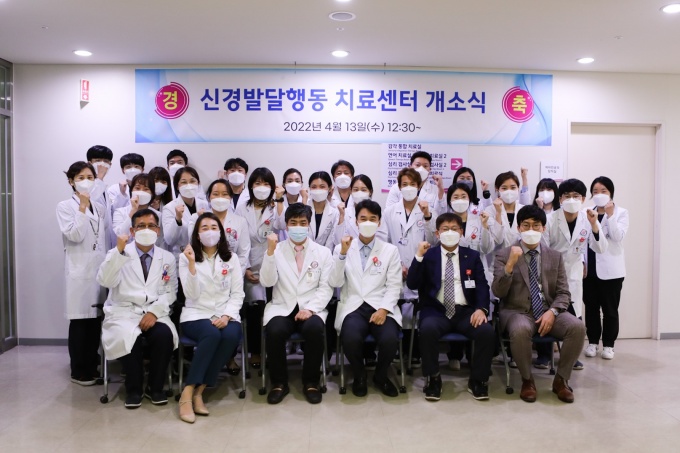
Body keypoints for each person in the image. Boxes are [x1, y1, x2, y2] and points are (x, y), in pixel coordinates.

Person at [493, 205, 585, 403]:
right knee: (520, 330)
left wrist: (553, 311)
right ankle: (527, 380)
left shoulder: (554, 256)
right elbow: (498, 292)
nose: (531, 230)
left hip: (549, 310)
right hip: (517, 311)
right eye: (526, 225)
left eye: (536, 225)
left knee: (577, 327)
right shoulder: (504, 254)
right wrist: (510, 265)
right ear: (518, 228)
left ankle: (561, 380)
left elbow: (563, 293)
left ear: (544, 228)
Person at [407, 213, 495, 401]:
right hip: (436, 311)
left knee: (486, 331)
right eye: (445, 229)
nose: (449, 233)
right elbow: (412, 284)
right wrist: (418, 256)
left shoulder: (472, 256)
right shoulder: (428, 255)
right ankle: (433, 378)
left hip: (465, 312)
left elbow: (482, 285)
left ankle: (478, 380)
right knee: (427, 329)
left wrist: (481, 309)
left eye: (454, 229)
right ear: (437, 233)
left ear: (461, 232)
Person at [97, 209, 178, 408]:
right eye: (141, 226)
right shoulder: (118, 253)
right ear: (132, 231)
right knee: (129, 336)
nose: (146, 229)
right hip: (123, 312)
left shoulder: (167, 258)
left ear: (158, 230)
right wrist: (118, 253)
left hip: (155, 311)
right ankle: (133, 389)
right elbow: (105, 281)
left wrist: (154, 312)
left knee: (163, 336)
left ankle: (155, 388)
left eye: (151, 226)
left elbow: (170, 292)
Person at [260, 203, 333, 404]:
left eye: (303, 222)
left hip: (311, 307)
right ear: (286, 225)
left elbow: (326, 288)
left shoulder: (323, 253)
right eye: (293, 223)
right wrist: (269, 253)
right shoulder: (276, 249)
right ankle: (279, 383)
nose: (298, 227)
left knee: (315, 329)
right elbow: (267, 281)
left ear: (309, 225)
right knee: (274, 331)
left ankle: (311, 382)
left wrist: (310, 309)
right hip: (282, 306)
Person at [329, 200, 402, 397]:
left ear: (379, 222)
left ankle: (380, 376)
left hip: (380, 305)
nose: (367, 222)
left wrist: (384, 310)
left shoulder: (390, 250)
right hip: (353, 306)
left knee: (390, 339)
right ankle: (359, 375)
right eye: (363, 218)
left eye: (372, 219)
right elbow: (335, 282)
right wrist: (342, 254)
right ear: (356, 221)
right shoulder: (341, 248)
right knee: (350, 338)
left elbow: (394, 285)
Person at [177, 212, 244, 423]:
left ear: (221, 233)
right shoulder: (185, 257)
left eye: (214, 228)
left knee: (231, 336)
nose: (210, 232)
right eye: (204, 228)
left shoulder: (231, 258)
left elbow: (238, 293)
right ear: (197, 234)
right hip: (196, 313)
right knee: (212, 334)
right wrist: (191, 265)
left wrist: (227, 316)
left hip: (225, 313)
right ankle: (187, 392)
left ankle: (199, 392)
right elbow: (191, 294)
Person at [56, 161, 107, 385]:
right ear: (71, 181)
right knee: (79, 322)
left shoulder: (99, 207)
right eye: (81, 177)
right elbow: (75, 235)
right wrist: (82, 208)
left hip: (97, 270)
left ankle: (92, 365)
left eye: (90, 177)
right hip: (79, 272)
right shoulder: (65, 206)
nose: (86, 181)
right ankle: (78, 370)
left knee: (95, 321)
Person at [383, 167, 437, 368]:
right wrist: (397, 265)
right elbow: (385, 242)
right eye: (404, 184)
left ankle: (415, 352)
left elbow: (434, 241)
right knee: (398, 309)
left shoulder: (429, 210)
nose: (408, 188)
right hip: (396, 268)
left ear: (419, 186)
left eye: (412, 184)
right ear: (398, 187)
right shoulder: (389, 211)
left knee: (418, 312)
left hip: (421, 269)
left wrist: (428, 216)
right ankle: (399, 350)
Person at [235, 167, 281, 370]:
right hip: (249, 266)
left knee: (273, 309)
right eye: (257, 183)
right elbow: (237, 240)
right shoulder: (241, 208)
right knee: (255, 311)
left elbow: (282, 226)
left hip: (273, 264)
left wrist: (279, 201)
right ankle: (255, 351)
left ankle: (272, 350)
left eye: (266, 184)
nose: (261, 187)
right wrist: (244, 268)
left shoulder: (276, 207)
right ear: (251, 186)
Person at [543, 178, 608, 321]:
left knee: (574, 319)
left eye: (576, 196)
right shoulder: (549, 220)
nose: (571, 200)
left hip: (574, 275)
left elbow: (601, 248)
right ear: (560, 199)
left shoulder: (589, 219)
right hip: (551, 276)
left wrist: (594, 225)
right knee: (552, 318)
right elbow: (543, 251)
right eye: (567, 196)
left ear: (583, 199)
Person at [444, 183, 494, 370]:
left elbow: (487, 249)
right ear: (449, 200)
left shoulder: (478, 218)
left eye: (463, 196)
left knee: (476, 314)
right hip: (452, 273)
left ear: (470, 198)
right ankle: (454, 354)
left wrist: (485, 227)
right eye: (455, 197)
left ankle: (475, 358)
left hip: (476, 274)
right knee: (455, 310)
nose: (460, 200)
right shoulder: (446, 221)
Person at [583, 177, 628, 360]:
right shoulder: (586, 212)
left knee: (610, 310)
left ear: (611, 193)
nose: (599, 194)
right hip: (590, 270)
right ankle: (593, 342)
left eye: (603, 191)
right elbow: (582, 240)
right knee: (591, 309)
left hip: (611, 272)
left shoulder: (621, 213)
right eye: (595, 191)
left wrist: (610, 216)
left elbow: (617, 237)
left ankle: (609, 345)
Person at [162, 167, 211, 262]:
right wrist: (177, 220)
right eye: (184, 182)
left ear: (198, 183)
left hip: (203, 256)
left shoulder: (204, 205)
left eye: (192, 181)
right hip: (181, 257)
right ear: (177, 186)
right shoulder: (169, 208)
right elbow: (169, 240)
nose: (189, 185)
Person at [335, 174, 388, 242]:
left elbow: (382, 238)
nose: (359, 193)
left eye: (363, 190)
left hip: (374, 248)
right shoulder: (344, 213)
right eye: (356, 190)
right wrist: (342, 216)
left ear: (370, 192)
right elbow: (338, 241)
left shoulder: (377, 212)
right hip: (350, 248)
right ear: (351, 191)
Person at [112, 173, 159, 241]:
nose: (141, 192)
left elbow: (159, 240)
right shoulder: (120, 212)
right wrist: (133, 210)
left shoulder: (157, 214)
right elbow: (119, 235)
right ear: (131, 191)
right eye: (137, 188)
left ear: (152, 194)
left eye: (146, 189)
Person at [306, 171, 341, 251]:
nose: (318, 190)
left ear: (329, 188)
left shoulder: (335, 213)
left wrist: (323, 256)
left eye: (322, 187)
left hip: (325, 255)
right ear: (309, 188)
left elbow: (331, 242)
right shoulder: (302, 209)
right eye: (314, 187)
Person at [105, 152, 145, 222]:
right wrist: (122, 194)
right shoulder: (113, 189)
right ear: (123, 170)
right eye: (128, 167)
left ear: (142, 169)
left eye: (136, 166)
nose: (133, 170)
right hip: (121, 224)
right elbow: (112, 212)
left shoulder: (148, 188)